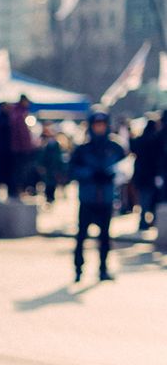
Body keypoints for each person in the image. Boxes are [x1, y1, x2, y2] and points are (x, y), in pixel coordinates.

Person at [68, 112, 126, 283]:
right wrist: (90, 174)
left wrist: (111, 176)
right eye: (96, 124)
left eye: (102, 124)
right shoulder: (82, 149)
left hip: (106, 198)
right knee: (81, 236)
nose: (99, 127)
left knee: (105, 237)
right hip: (87, 198)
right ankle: (78, 268)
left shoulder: (115, 147)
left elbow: (124, 168)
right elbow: (72, 170)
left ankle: (103, 269)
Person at [131, 119, 160, 231]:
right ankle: (147, 221)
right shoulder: (154, 140)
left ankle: (143, 221)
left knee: (143, 199)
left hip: (140, 175)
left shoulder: (140, 139)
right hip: (150, 175)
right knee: (149, 199)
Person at [9, 94, 36, 197]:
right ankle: (16, 190)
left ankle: (17, 190)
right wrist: (27, 146)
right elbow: (22, 133)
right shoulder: (19, 114)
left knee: (20, 170)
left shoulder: (18, 113)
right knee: (19, 170)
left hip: (19, 147)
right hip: (20, 148)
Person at [36, 124, 64, 205]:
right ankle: (48, 197)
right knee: (48, 183)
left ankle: (51, 197)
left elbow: (58, 157)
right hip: (48, 168)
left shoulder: (56, 145)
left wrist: (60, 168)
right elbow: (42, 156)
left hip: (54, 168)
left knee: (53, 183)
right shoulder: (45, 144)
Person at [0, 102, 14, 198]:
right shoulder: (2, 118)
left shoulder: (8, 117)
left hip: (8, 149)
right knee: (1, 170)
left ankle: (8, 190)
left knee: (8, 170)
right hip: (3, 149)